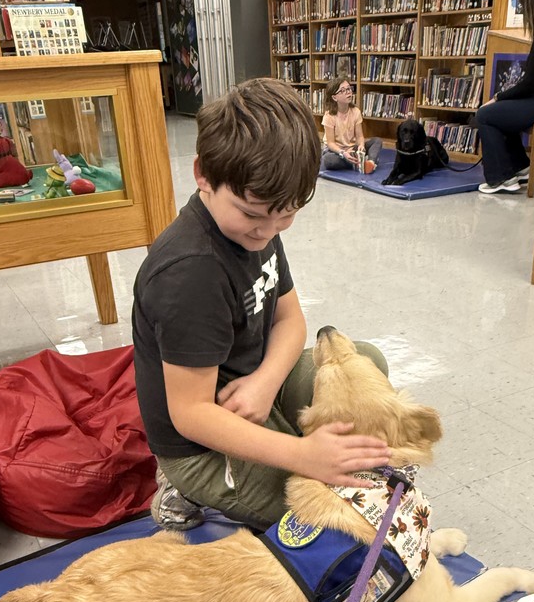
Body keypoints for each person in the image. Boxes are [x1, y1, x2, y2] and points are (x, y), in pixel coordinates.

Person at [132, 78, 391, 532]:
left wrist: (265, 384)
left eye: (287, 213)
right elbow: (190, 414)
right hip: (201, 442)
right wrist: (302, 455)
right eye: (252, 214)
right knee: (324, 519)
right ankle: (181, 485)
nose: (267, 231)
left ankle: (286, 438)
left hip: (250, 385)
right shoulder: (189, 272)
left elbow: (291, 319)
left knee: (365, 363)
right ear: (203, 176)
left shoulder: (260, 226)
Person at [474, 0, 534, 194]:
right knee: (502, 113)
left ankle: (500, 177)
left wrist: (499, 97)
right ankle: (520, 166)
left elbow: (530, 83)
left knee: (485, 115)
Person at [320, 77, 382, 174]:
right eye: (343, 91)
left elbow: (360, 136)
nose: (348, 92)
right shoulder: (329, 116)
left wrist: (361, 145)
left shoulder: (356, 112)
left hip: (352, 149)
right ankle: (357, 163)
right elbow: (331, 143)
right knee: (328, 160)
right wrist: (343, 153)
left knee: (377, 141)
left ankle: (370, 162)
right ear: (334, 97)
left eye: (349, 89)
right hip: (336, 152)